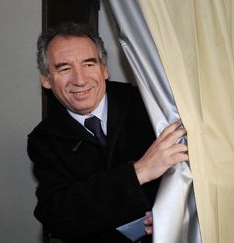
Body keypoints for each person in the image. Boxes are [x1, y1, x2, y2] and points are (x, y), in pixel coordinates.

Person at [27, 22, 189, 243]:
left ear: (104, 69)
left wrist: (172, 211)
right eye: (64, 68)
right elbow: (59, 217)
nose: (80, 79)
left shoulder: (151, 105)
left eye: (89, 64)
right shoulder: (44, 139)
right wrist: (138, 172)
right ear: (46, 80)